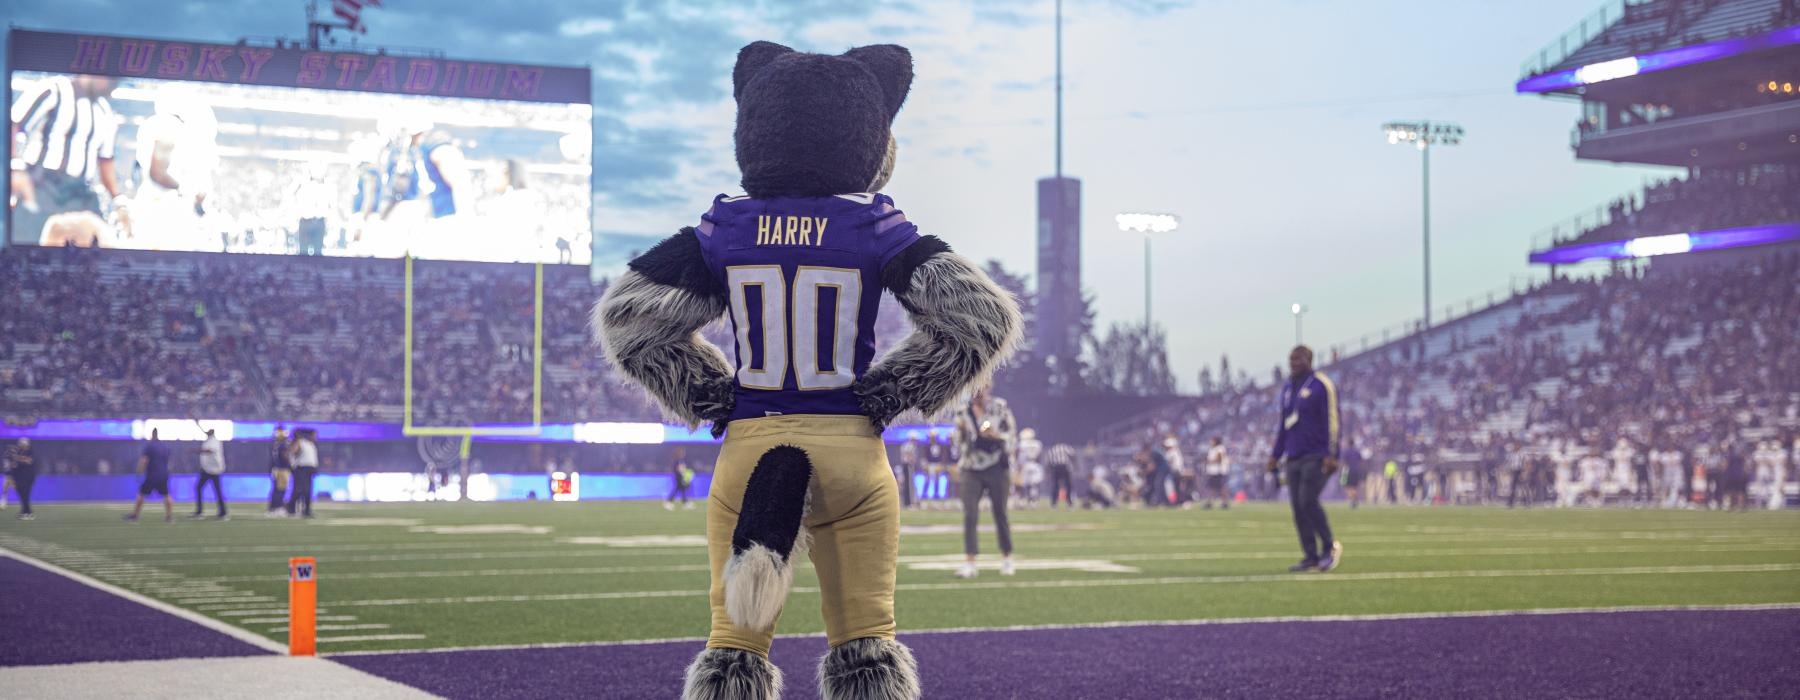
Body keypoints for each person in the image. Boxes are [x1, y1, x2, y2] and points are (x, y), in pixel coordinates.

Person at [9, 74, 122, 248]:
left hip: (80, 192)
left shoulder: (105, 111)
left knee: (92, 251)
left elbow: (106, 159)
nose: (112, 85)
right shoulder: (52, 89)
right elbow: (12, 125)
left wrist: (118, 200)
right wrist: (15, 169)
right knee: (28, 248)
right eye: (111, 79)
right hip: (41, 185)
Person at [1267, 345, 1343, 573]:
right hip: (1293, 455)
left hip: (1317, 455)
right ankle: (1310, 555)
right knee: (1298, 507)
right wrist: (1275, 454)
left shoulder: (1321, 384)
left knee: (1308, 500)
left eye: (1298, 359)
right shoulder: (1288, 387)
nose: (1294, 364)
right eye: (1291, 359)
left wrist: (1332, 454)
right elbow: (1284, 424)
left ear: (1309, 360)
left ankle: (1329, 547)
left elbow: (1333, 420)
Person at [954, 383, 1017, 578]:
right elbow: (957, 441)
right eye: (974, 389)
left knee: (1000, 513)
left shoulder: (1000, 407)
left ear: (988, 388)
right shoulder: (962, 411)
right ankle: (970, 562)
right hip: (971, 467)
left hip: (997, 465)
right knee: (970, 514)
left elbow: (1012, 436)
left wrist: (996, 436)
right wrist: (963, 434)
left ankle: (1007, 558)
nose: (977, 393)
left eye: (981, 389)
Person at [124, 429, 175, 522]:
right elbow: (169, 462)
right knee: (166, 494)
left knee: (141, 493)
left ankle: (135, 516)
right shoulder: (165, 447)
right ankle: (169, 517)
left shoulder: (149, 446)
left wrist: (139, 471)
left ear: (152, 435)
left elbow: (144, 460)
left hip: (152, 474)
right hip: (163, 474)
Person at [190, 427, 228, 520]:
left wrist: (196, 450)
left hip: (214, 470)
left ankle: (222, 513)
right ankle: (200, 511)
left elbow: (210, 450)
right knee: (199, 488)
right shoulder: (209, 440)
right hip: (207, 469)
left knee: (217, 491)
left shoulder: (214, 441)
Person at [286, 428, 319, 518]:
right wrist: (293, 465)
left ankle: (307, 510)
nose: (316, 437)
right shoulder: (300, 442)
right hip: (301, 468)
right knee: (299, 489)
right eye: (314, 435)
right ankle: (291, 507)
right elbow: (292, 453)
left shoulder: (311, 444)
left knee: (308, 491)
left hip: (309, 469)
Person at [5, 439, 38, 520]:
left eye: (22, 444)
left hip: (28, 477)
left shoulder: (31, 452)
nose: (20, 446)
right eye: (20, 444)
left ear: (26, 445)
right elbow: (13, 465)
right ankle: (24, 512)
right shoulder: (19, 453)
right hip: (19, 477)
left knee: (25, 495)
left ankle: (29, 513)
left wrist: (16, 458)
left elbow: (29, 461)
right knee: (21, 495)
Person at [1199, 436, 1230, 510]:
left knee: (1218, 487)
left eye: (1212, 440)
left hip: (1218, 471)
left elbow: (1218, 459)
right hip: (1213, 471)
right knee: (1214, 487)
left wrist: (1208, 461)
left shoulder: (1220, 448)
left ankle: (1220, 502)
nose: (1211, 442)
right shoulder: (1213, 449)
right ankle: (1218, 502)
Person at [1044, 442, 1078, 508]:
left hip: (1056, 467)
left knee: (1055, 485)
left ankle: (1054, 503)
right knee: (1068, 485)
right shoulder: (1065, 447)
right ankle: (1069, 502)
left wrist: (1049, 470)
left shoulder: (1052, 449)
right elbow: (1073, 454)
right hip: (1064, 467)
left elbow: (1048, 461)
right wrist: (1075, 465)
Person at [267, 427, 292, 516]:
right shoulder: (282, 445)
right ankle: (278, 507)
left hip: (276, 468)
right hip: (281, 469)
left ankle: (273, 508)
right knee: (280, 490)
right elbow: (285, 456)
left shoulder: (275, 444)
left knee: (276, 489)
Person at [896, 432, 920, 509]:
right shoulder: (910, 445)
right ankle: (910, 503)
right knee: (909, 485)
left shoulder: (905, 445)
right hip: (908, 465)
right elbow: (908, 455)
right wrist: (912, 460)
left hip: (905, 465)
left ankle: (906, 502)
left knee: (907, 484)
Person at [1341, 437, 1365, 509]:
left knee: (1348, 486)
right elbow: (1361, 461)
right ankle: (1354, 500)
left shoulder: (1346, 451)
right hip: (1356, 470)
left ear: (1348, 443)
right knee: (1354, 487)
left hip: (1348, 471)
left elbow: (1344, 462)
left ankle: (1352, 501)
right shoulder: (1357, 451)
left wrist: (1343, 472)